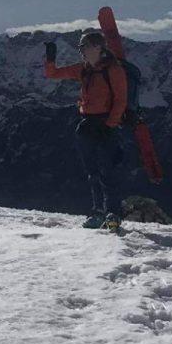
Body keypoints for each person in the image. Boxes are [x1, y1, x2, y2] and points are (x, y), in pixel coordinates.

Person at [45, 29, 128, 229]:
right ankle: (98, 212)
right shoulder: (83, 69)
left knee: (108, 171)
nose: (81, 50)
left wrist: (110, 125)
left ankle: (113, 214)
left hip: (106, 125)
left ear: (98, 47)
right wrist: (50, 58)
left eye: (84, 46)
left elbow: (121, 100)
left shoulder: (113, 70)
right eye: (80, 46)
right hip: (88, 124)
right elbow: (52, 74)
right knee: (93, 172)